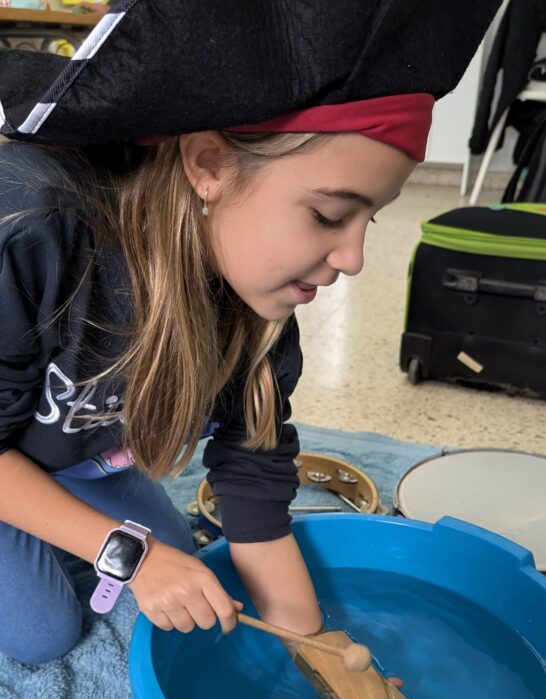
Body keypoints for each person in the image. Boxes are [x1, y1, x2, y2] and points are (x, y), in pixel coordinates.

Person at [0, 0, 501, 664]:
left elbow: (254, 483)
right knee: (45, 633)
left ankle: (62, 491)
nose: (353, 259)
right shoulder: (34, 226)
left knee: (186, 561)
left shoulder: (256, 301)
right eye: (329, 215)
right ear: (209, 165)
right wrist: (125, 552)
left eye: (369, 220)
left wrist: (318, 651)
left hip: (72, 457)